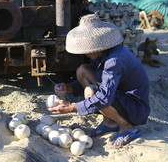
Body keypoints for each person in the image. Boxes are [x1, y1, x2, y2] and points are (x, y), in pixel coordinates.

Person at [48, 13, 150, 148]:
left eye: (87, 49)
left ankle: (127, 127)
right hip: (120, 96)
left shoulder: (115, 61)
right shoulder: (103, 55)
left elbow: (104, 97)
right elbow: (97, 77)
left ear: (98, 46)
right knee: (83, 70)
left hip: (135, 109)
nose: (85, 53)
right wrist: (68, 87)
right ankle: (110, 121)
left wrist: (72, 108)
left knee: (92, 92)